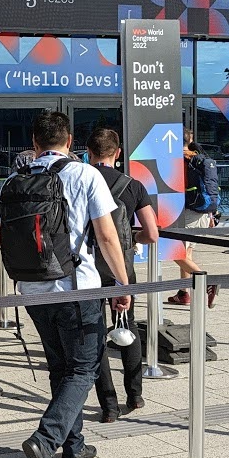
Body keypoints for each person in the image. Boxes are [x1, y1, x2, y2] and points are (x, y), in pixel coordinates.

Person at [0, 109, 131, 458]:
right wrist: (122, 284)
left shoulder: (14, 180)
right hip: (77, 287)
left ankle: (74, 445)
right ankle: (46, 439)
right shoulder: (84, 174)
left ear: (35, 143)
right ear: (70, 143)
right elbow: (106, 236)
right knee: (84, 368)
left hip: (33, 290)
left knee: (60, 367)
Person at [88, 126, 158, 421]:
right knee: (126, 325)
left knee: (93, 335)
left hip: (89, 266)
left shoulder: (81, 181)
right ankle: (136, 394)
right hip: (122, 267)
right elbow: (152, 234)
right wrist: (130, 239)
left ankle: (109, 405)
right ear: (117, 153)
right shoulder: (133, 185)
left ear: (88, 153)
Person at [169, 144, 222, 306]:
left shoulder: (183, 160)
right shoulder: (199, 158)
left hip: (189, 212)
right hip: (203, 212)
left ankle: (207, 282)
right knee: (187, 254)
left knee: (176, 254)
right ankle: (184, 293)